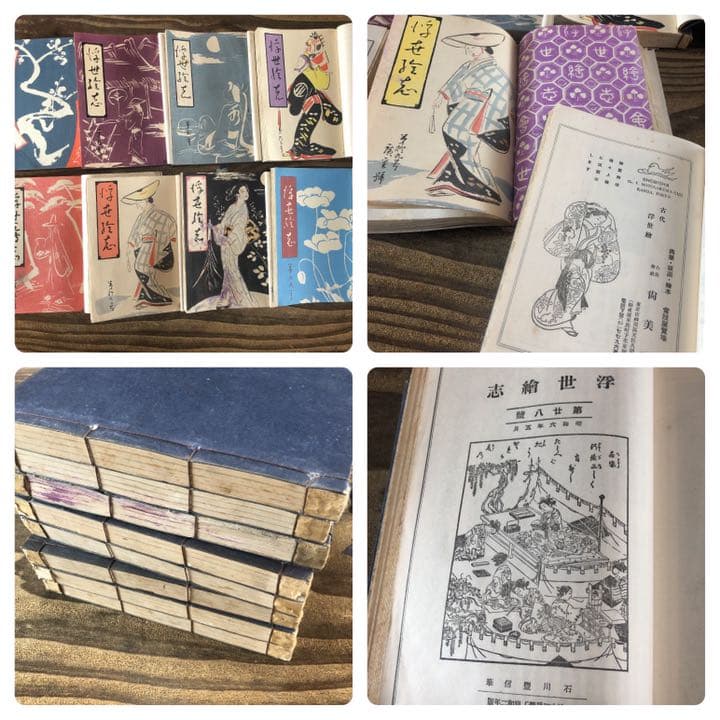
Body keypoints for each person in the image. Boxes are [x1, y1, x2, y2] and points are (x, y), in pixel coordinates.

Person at [427, 32, 512, 204]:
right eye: (468, 48)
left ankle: (480, 187)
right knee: (459, 138)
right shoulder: (467, 65)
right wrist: (440, 97)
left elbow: (500, 92)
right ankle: (456, 181)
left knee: (454, 132)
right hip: (467, 104)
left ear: (483, 47)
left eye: (473, 47)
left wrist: (485, 111)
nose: (470, 51)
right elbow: (453, 83)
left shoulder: (493, 69)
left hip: (480, 108)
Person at [532, 201, 620, 337]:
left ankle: (565, 319)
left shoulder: (597, 230)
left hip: (585, 265)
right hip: (573, 263)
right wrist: (585, 246)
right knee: (571, 288)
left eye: (601, 221)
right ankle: (563, 319)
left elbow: (597, 248)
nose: (599, 222)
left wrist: (598, 246)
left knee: (579, 290)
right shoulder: (579, 227)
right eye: (598, 219)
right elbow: (573, 246)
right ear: (590, 215)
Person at [286, 32, 342, 159]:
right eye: (308, 44)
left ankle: (300, 146)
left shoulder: (320, 60)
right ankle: (300, 146)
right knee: (311, 106)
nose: (308, 47)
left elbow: (323, 83)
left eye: (312, 45)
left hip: (313, 92)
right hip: (308, 89)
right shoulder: (307, 59)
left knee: (314, 108)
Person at [122, 180, 175, 307]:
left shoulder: (161, 216)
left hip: (161, 252)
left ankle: (160, 297)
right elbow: (134, 237)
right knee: (140, 263)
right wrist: (129, 250)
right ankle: (146, 294)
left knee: (141, 266)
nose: (137, 206)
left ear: (146, 201)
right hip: (146, 249)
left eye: (138, 203)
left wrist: (147, 251)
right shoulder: (141, 217)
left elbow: (165, 238)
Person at [212, 185, 257, 309]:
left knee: (232, 269)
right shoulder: (232, 207)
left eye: (247, 190)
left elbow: (239, 227)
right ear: (237, 194)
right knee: (227, 269)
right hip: (225, 241)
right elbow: (225, 223)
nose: (246, 193)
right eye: (243, 191)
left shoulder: (243, 209)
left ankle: (240, 298)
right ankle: (226, 296)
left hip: (234, 241)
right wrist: (218, 228)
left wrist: (229, 238)